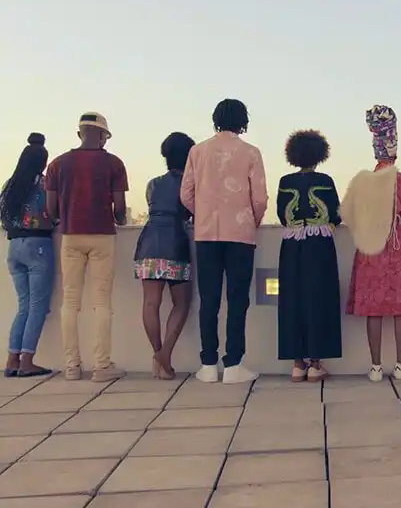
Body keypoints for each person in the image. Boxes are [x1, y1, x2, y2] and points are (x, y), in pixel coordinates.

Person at [181, 99, 268, 384]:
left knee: (209, 299)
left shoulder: (197, 151)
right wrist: (252, 220)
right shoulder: (251, 152)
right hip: (241, 234)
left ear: (216, 119)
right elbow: (259, 197)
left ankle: (208, 364)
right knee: (238, 299)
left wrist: (204, 212)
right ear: (243, 120)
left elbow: (186, 194)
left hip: (206, 233)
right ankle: (233, 364)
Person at [343, 105, 401, 382]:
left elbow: (349, 214)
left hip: (371, 246)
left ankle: (376, 367)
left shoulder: (362, 181)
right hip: (397, 245)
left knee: (374, 309)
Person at [45, 112, 128, 382]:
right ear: (103, 136)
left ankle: (72, 366)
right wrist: (119, 219)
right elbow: (120, 209)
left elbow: (51, 209)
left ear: (80, 133)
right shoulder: (114, 163)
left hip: (71, 235)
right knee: (101, 302)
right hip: (102, 235)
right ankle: (102, 366)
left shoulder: (57, 164)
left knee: (70, 301)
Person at [276, 130, 342, 383]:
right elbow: (336, 213)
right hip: (320, 244)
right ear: (319, 154)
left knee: (292, 299)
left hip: (291, 245)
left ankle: (297, 364)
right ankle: (315, 364)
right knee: (319, 298)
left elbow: (282, 215)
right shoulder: (325, 180)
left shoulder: (285, 182)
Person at [133, 133, 196, 380]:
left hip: (148, 243)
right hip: (175, 243)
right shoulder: (190, 184)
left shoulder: (153, 184)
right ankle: (165, 354)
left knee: (151, 302)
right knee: (182, 303)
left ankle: (158, 354)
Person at [1, 133, 55, 378]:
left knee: (23, 305)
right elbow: (54, 213)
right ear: (42, 162)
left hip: (14, 246)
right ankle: (27, 361)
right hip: (38, 244)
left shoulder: (10, 184)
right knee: (38, 307)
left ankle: (12, 359)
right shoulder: (44, 184)